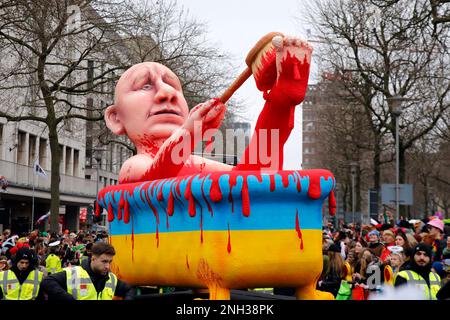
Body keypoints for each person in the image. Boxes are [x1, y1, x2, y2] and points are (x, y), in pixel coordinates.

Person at [104, 35, 312, 183]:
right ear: (116, 118)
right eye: (145, 85)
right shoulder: (134, 165)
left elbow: (252, 176)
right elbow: (156, 181)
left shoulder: (198, 164)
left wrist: (280, 105)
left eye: (174, 86)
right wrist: (188, 133)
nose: (167, 92)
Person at [41, 242, 135, 300]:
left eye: (110, 262)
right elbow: (47, 282)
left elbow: (129, 290)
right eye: (104, 261)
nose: (108, 266)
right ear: (93, 259)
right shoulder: (74, 273)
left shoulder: (111, 278)